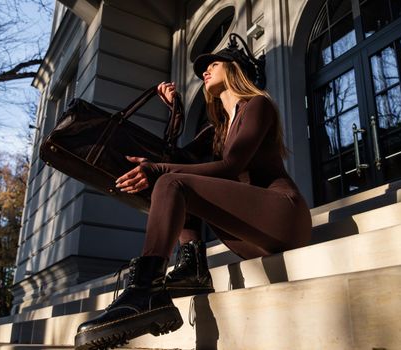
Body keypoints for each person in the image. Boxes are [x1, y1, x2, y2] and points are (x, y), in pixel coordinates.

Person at [74, 36, 312, 350]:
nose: (204, 71)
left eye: (212, 64)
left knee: (172, 182)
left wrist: (159, 170)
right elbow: (177, 159)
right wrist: (175, 112)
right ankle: (192, 267)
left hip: (284, 216)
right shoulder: (217, 130)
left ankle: (144, 288)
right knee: (174, 179)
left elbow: (230, 166)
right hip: (251, 237)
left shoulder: (258, 105)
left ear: (234, 68)